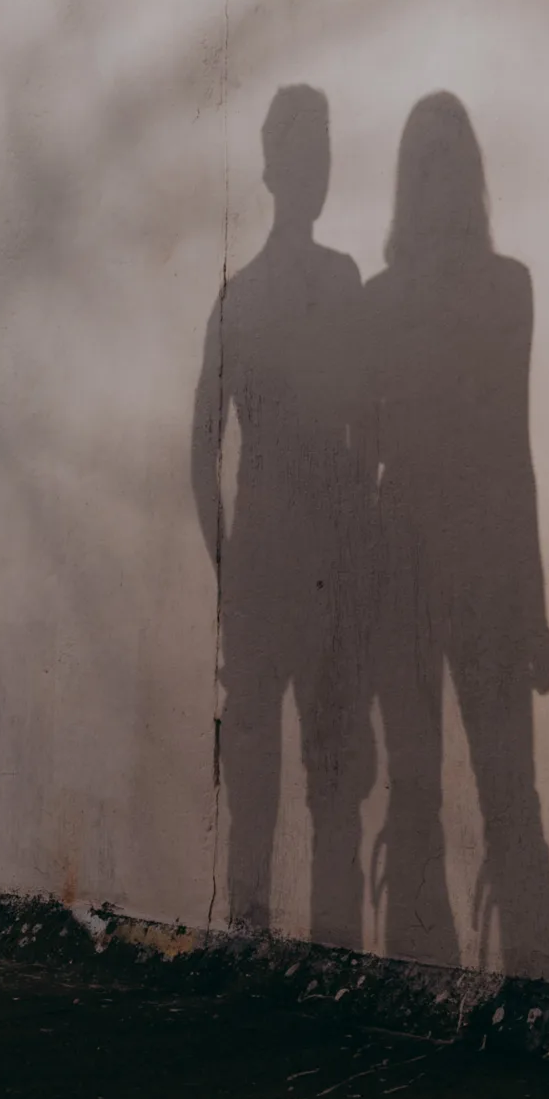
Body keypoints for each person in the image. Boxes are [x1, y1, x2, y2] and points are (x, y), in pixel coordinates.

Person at [363, 93, 549, 978]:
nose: (443, 178)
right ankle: (486, 978)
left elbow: (511, 451)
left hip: (446, 562)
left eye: (450, 161)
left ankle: (486, 977)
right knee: (450, 792)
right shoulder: (495, 287)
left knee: (484, 792)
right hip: (435, 564)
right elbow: (497, 453)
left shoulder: (459, 291)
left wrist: (535, 611)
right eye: (433, 163)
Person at [191, 87, 374, 946]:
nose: (316, 170)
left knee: (283, 766)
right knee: (318, 770)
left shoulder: (244, 293)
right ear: (279, 170)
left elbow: (202, 450)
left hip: (276, 555)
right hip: (308, 556)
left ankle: (255, 932)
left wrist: (231, 566)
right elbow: (367, 431)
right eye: (309, 154)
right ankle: (307, 941)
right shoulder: (329, 283)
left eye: (320, 153)